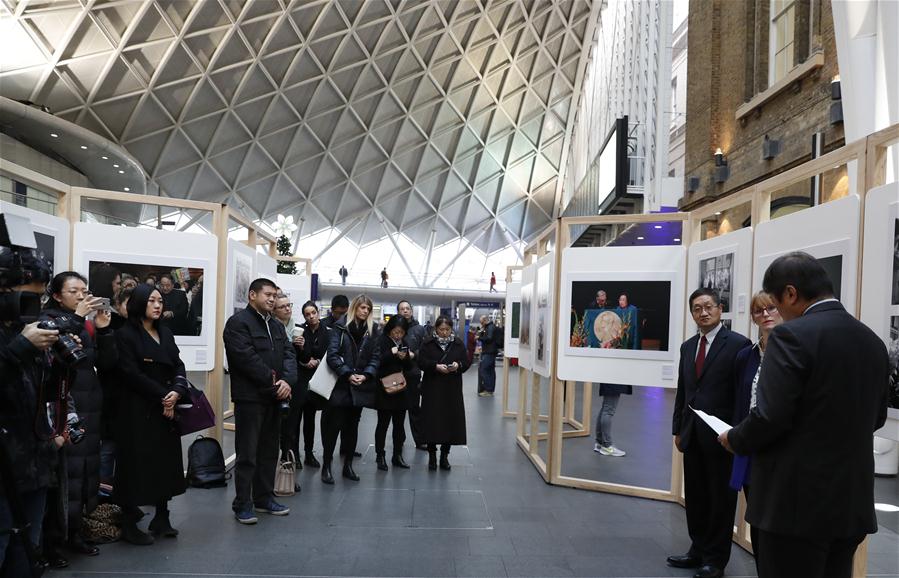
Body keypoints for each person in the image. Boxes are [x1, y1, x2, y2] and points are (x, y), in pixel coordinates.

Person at [720, 253, 889, 578]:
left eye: (776, 303)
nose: (777, 313)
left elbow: (770, 417)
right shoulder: (872, 341)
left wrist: (735, 438)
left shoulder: (791, 336)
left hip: (793, 507)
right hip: (849, 504)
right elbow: (876, 419)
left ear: (791, 293)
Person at [669, 287, 750, 578]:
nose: (703, 312)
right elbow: (684, 391)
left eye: (708, 307)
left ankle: (715, 560)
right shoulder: (688, 346)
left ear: (720, 309)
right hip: (692, 434)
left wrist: (737, 434)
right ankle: (697, 549)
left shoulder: (739, 344)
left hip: (723, 437)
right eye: (697, 308)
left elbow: (742, 395)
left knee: (720, 499)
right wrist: (678, 429)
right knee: (697, 495)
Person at [42, 272, 118, 558]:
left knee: (86, 473)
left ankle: (75, 533)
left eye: (84, 290)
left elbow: (105, 363)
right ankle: (52, 542)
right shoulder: (48, 320)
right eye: (74, 291)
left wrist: (104, 329)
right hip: (66, 404)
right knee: (64, 476)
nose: (81, 295)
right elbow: (58, 358)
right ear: (58, 295)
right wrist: (78, 317)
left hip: (90, 404)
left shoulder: (86, 323)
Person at [114, 284, 190, 545]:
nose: (158, 305)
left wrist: (177, 390)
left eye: (160, 301)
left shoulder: (165, 332)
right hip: (138, 409)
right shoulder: (125, 334)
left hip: (166, 408)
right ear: (139, 304)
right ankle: (129, 523)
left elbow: (178, 363)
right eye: (152, 301)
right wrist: (163, 396)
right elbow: (130, 373)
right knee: (136, 464)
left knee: (165, 462)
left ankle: (162, 516)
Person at [0, 245, 60, 575]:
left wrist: (61, 365)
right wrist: (21, 348)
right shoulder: (20, 337)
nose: (32, 307)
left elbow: (41, 393)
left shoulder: (27, 329)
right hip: (5, 466)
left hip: (34, 460)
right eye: (26, 298)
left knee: (27, 548)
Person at [224, 278, 296, 524]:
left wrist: (287, 381)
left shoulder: (275, 325)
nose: (272, 299)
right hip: (250, 399)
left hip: (275, 399)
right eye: (268, 294)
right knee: (247, 454)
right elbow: (245, 359)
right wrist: (274, 383)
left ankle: (264, 498)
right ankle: (242, 503)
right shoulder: (237, 324)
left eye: (275, 295)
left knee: (268, 451)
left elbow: (289, 354)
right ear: (252, 295)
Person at [727, 291, 782, 564]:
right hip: (750, 447)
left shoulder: (793, 353)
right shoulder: (746, 355)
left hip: (780, 452)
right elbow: (740, 399)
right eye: (759, 311)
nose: (766, 315)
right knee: (756, 517)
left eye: (772, 308)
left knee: (778, 523)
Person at [323, 294, 380, 484]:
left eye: (368, 309)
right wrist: (348, 374)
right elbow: (332, 355)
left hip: (360, 385)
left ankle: (348, 465)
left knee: (352, 427)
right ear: (354, 308)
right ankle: (327, 466)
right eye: (363, 307)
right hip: (340, 384)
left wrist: (366, 375)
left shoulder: (372, 331)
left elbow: (375, 357)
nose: (365, 311)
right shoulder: (340, 327)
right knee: (333, 426)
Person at [418, 316, 470, 471]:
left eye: (447, 329)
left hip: (451, 388)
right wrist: (435, 366)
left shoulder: (458, 344)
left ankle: (445, 456)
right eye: (441, 330)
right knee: (432, 422)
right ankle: (432, 456)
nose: (444, 333)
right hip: (432, 388)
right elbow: (421, 362)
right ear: (436, 329)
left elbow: (466, 363)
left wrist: (457, 365)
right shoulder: (427, 343)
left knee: (450, 422)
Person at [98, 287, 133, 499]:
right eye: (127, 303)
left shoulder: (148, 329)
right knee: (108, 449)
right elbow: (106, 364)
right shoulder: (108, 327)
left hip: (134, 400)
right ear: (117, 306)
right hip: (112, 398)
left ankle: (127, 496)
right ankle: (103, 500)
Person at [374, 316, 414, 471]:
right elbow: (377, 362)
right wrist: (391, 353)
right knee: (382, 424)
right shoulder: (382, 341)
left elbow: (410, 367)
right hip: (384, 388)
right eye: (396, 332)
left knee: (399, 425)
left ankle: (397, 455)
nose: (398, 335)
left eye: (401, 333)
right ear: (390, 329)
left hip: (400, 388)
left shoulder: (404, 343)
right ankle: (380, 455)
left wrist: (405, 358)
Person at [294, 301, 330, 468]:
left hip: (317, 379)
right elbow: (294, 354)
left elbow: (329, 353)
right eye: (307, 314)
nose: (311, 316)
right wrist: (304, 361)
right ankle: (295, 454)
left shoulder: (327, 332)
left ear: (318, 312)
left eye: (313, 313)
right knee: (295, 420)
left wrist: (317, 361)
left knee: (310, 419)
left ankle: (309, 454)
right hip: (301, 379)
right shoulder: (300, 330)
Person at [397, 300, 427, 449]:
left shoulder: (420, 329)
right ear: (398, 312)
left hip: (413, 373)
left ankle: (420, 439)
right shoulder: (394, 329)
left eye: (407, 308)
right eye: (402, 309)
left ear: (412, 311)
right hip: (395, 374)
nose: (405, 311)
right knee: (398, 410)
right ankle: (399, 440)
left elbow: (427, 350)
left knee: (414, 408)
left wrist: (414, 355)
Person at [592, 383, 631, 457]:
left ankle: (600, 443)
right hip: (613, 379)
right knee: (608, 410)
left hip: (610, 379)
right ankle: (607, 446)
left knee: (606, 408)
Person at [477, 315, 497, 397]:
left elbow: (489, 338)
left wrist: (479, 337)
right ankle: (490, 390)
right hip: (490, 351)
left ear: (485, 321)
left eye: (482, 322)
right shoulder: (490, 327)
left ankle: (488, 390)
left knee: (484, 369)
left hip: (489, 353)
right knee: (490, 371)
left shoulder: (490, 327)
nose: (481, 324)